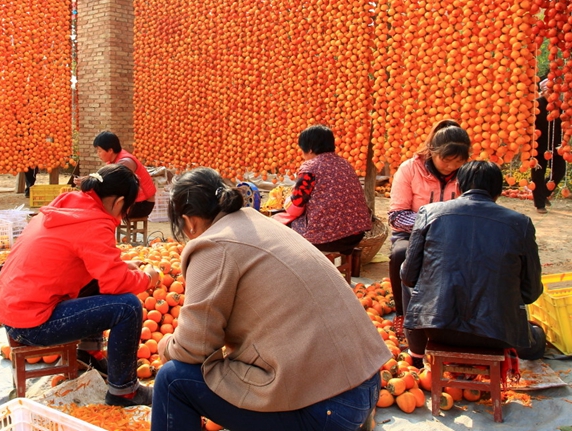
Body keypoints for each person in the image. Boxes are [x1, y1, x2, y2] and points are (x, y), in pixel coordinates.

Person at [152, 168, 391, 431]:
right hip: (365, 386)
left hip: (326, 408)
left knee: (172, 379)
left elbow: (193, 348)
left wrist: (166, 345)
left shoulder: (212, 246)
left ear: (188, 221)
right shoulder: (258, 222)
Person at [0, 164, 160, 407]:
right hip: (32, 324)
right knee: (129, 307)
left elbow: (92, 264)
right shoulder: (94, 221)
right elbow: (114, 282)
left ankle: (89, 352)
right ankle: (124, 391)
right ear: (119, 201)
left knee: (98, 280)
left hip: (13, 310)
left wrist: (123, 265)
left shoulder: (70, 205)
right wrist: (147, 279)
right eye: (127, 209)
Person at [401, 161, 546, 367]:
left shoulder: (429, 213)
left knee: (404, 271)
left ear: (458, 187)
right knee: (537, 338)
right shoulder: (520, 224)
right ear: (499, 192)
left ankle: (416, 352)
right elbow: (531, 292)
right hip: (497, 334)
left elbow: (408, 276)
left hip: (435, 328)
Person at [387, 119, 470, 337]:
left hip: (456, 236)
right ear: (432, 151)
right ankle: (402, 314)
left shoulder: (468, 174)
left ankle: (458, 316)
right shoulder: (410, 169)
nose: (451, 166)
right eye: (446, 160)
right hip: (412, 235)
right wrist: (430, 224)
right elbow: (397, 216)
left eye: (458, 162)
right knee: (399, 255)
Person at [273, 125, 371, 257]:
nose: (302, 155)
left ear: (310, 149)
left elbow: (297, 205)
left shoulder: (310, 168)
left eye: (303, 150)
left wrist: (287, 202)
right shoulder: (344, 163)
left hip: (326, 239)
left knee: (276, 226)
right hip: (355, 235)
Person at [83, 131, 156, 219]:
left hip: (142, 204)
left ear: (110, 150)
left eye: (99, 151)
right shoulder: (113, 161)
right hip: (132, 202)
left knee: (100, 207)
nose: (98, 154)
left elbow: (112, 184)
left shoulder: (125, 162)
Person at [531, 78, 565, 214]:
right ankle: (539, 204)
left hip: (556, 147)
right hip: (538, 146)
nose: (553, 94)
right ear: (543, 90)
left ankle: (543, 193)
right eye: (550, 91)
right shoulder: (536, 105)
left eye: (556, 92)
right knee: (538, 174)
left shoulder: (560, 106)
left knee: (559, 171)